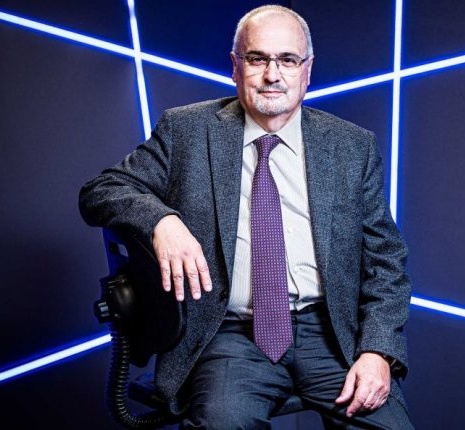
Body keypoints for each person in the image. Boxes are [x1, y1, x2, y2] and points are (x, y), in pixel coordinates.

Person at [80, 5, 413, 429]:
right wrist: (161, 220)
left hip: (331, 335)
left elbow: (387, 262)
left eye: (287, 60)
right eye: (257, 59)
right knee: (224, 423)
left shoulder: (352, 146)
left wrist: (378, 352)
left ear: (307, 71)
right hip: (229, 335)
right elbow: (100, 191)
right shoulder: (186, 131)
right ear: (235, 67)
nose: (273, 75)